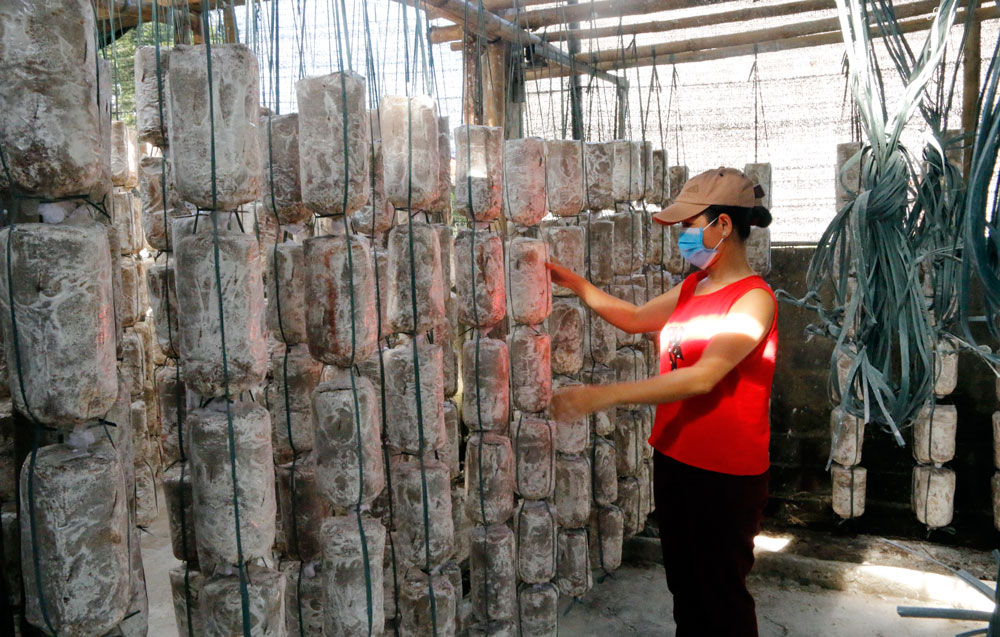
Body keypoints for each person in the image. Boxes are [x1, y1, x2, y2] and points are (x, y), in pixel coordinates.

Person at [547, 167, 778, 637]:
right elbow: (635, 318)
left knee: (721, 595)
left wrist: (604, 395)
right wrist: (577, 285)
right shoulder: (695, 286)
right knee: (685, 587)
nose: (683, 237)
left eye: (689, 226)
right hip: (675, 458)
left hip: (725, 475)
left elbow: (703, 378)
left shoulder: (755, 300)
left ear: (723, 225)